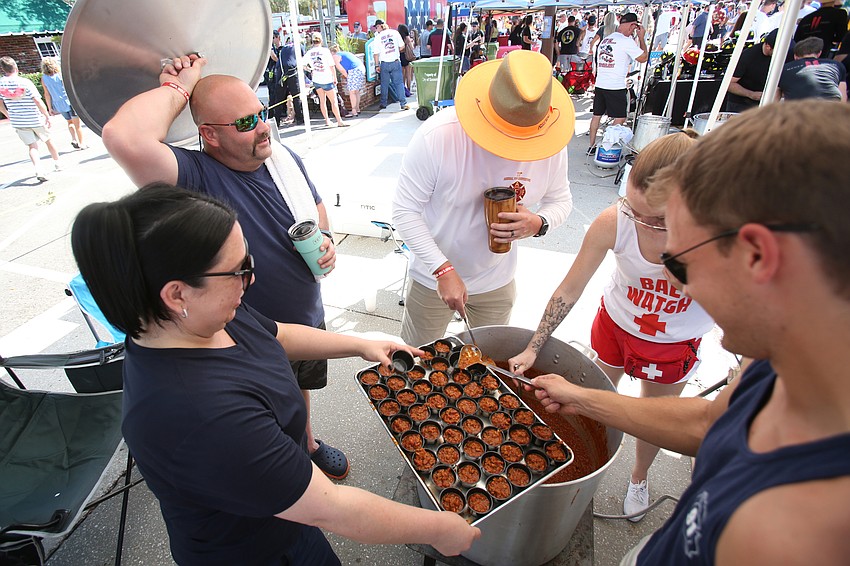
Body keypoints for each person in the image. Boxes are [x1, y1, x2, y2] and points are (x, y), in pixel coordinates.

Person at [70, 184, 481, 565]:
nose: (251, 278)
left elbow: (276, 334)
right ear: (177, 293)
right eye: (238, 270)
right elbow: (332, 508)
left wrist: (360, 344)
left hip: (287, 514)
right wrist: (439, 529)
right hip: (253, 550)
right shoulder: (201, 414)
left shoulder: (199, 318)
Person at [531, 100, 850, 565]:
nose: (679, 287)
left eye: (680, 263)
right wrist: (582, 398)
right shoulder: (777, 364)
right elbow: (708, 421)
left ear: (758, 255)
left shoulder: (791, 531)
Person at [101, 54, 351, 481]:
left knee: (298, 388)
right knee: (268, 410)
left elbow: (315, 205)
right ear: (209, 134)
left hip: (306, 315)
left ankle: (307, 444)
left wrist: (324, 237)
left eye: (261, 112)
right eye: (245, 122)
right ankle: (290, 467)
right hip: (247, 334)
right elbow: (123, 137)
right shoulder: (194, 178)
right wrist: (179, 87)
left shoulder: (281, 158)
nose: (263, 127)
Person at [508, 132, 713, 522]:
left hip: (673, 339)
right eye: (632, 208)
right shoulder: (616, 220)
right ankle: (571, 461)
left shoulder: (717, 234)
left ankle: (639, 476)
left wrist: (693, 280)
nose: (640, 223)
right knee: (594, 395)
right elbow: (570, 288)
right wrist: (534, 345)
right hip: (616, 323)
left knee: (656, 415)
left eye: (656, 220)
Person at [392, 50, 575, 347]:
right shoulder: (438, 136)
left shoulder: (549, 142)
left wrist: (539, 223)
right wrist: (442, 269)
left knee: (488, 358)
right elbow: (404, 211)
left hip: (496, 279)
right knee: (416, 358)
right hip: (432, 274)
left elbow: (561, 200)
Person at [588, 13, 648, 156]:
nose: (633, 32)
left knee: (597, 115)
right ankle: (606, 145)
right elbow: (643, 58)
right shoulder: (625, 41)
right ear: (632, 25)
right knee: (620, 117)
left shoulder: (606, 39)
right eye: (634, 29)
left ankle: (591, 146)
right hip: (615, 85)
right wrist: (641, 38)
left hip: (601, 83)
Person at [0, 56, 61, 182]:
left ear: (3, 69)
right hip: (34, 117)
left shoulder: (1, 84)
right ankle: (57, 163)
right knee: (48, 140)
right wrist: (46, 115)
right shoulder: (25, 82)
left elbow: (1, 104)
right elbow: (37, 100)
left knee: (32, 146)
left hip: (18, 120)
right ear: (16, 67)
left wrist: (7, 114)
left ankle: (39, 169)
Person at [726, 29, 783, 112]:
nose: (782, 53)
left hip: (766, 104)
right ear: (768, 47)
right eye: (779, 50)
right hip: (741, 104)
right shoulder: (748, 56)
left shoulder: (784, 55)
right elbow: (728, 83)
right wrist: (750, 94)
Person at [778, 36, 847, 101]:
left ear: (795, 56)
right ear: (819, 53)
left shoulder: (783, 69)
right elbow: (842, 97)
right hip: (829, 108)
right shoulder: (837, 65)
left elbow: (773, 99)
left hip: (798, 108)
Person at [40, 57, 86, 150]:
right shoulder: (60, 75)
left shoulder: (44, 78)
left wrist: (50, 108)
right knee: (77, 125)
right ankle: (82, 143)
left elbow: (47, 94)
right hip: (69, 101)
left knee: (69, 122)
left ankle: (74, 139)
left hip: (59, 104)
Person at [305, 33, 347, 128]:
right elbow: (331, 66)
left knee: (322, 101)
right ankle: (339, 121)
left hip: (316, 79)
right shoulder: (325, 51)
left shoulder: (309, 52)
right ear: (321, 40)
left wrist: (310, 69)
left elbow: (302, 64)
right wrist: (335, 77)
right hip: (326, 79)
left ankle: (327, 121)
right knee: (333, 101)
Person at [373, 20, 409, 111]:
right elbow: (402, 46)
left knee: (384, 84)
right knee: (399, 83)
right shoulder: (395, 33)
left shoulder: (377, 37)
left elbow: (376, 53)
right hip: (395, 61)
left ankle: (383, 103)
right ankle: (403, 103)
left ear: (380, 26)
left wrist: (377, 65)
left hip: (384, 63)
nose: (376, 29)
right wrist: (395, 51)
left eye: (376, 27)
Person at [275, 34, 305, 126]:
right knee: (296, 96)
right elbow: (303, 60)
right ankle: (299, 119)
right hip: (292, 72)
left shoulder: (284, 48)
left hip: (281, 73)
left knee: (279, 98)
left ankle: (276, 121)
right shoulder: (299, 46)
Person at [330, 44, 366, 116]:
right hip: (360, 68)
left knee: (352, 92)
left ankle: (354, 111)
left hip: (354, 70)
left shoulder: (335, 56)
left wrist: (347, 76)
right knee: (356, 91)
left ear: (332, 52)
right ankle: (357, 109)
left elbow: (341, 69)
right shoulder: (344, 53)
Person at [398, 24, 415, 97]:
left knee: (402, 74)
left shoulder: (398, 37)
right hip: (407, 56)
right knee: (408, 74)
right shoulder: (407, 38)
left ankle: (403, 90)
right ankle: (408, 90)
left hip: (400, 55)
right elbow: (412, 47)